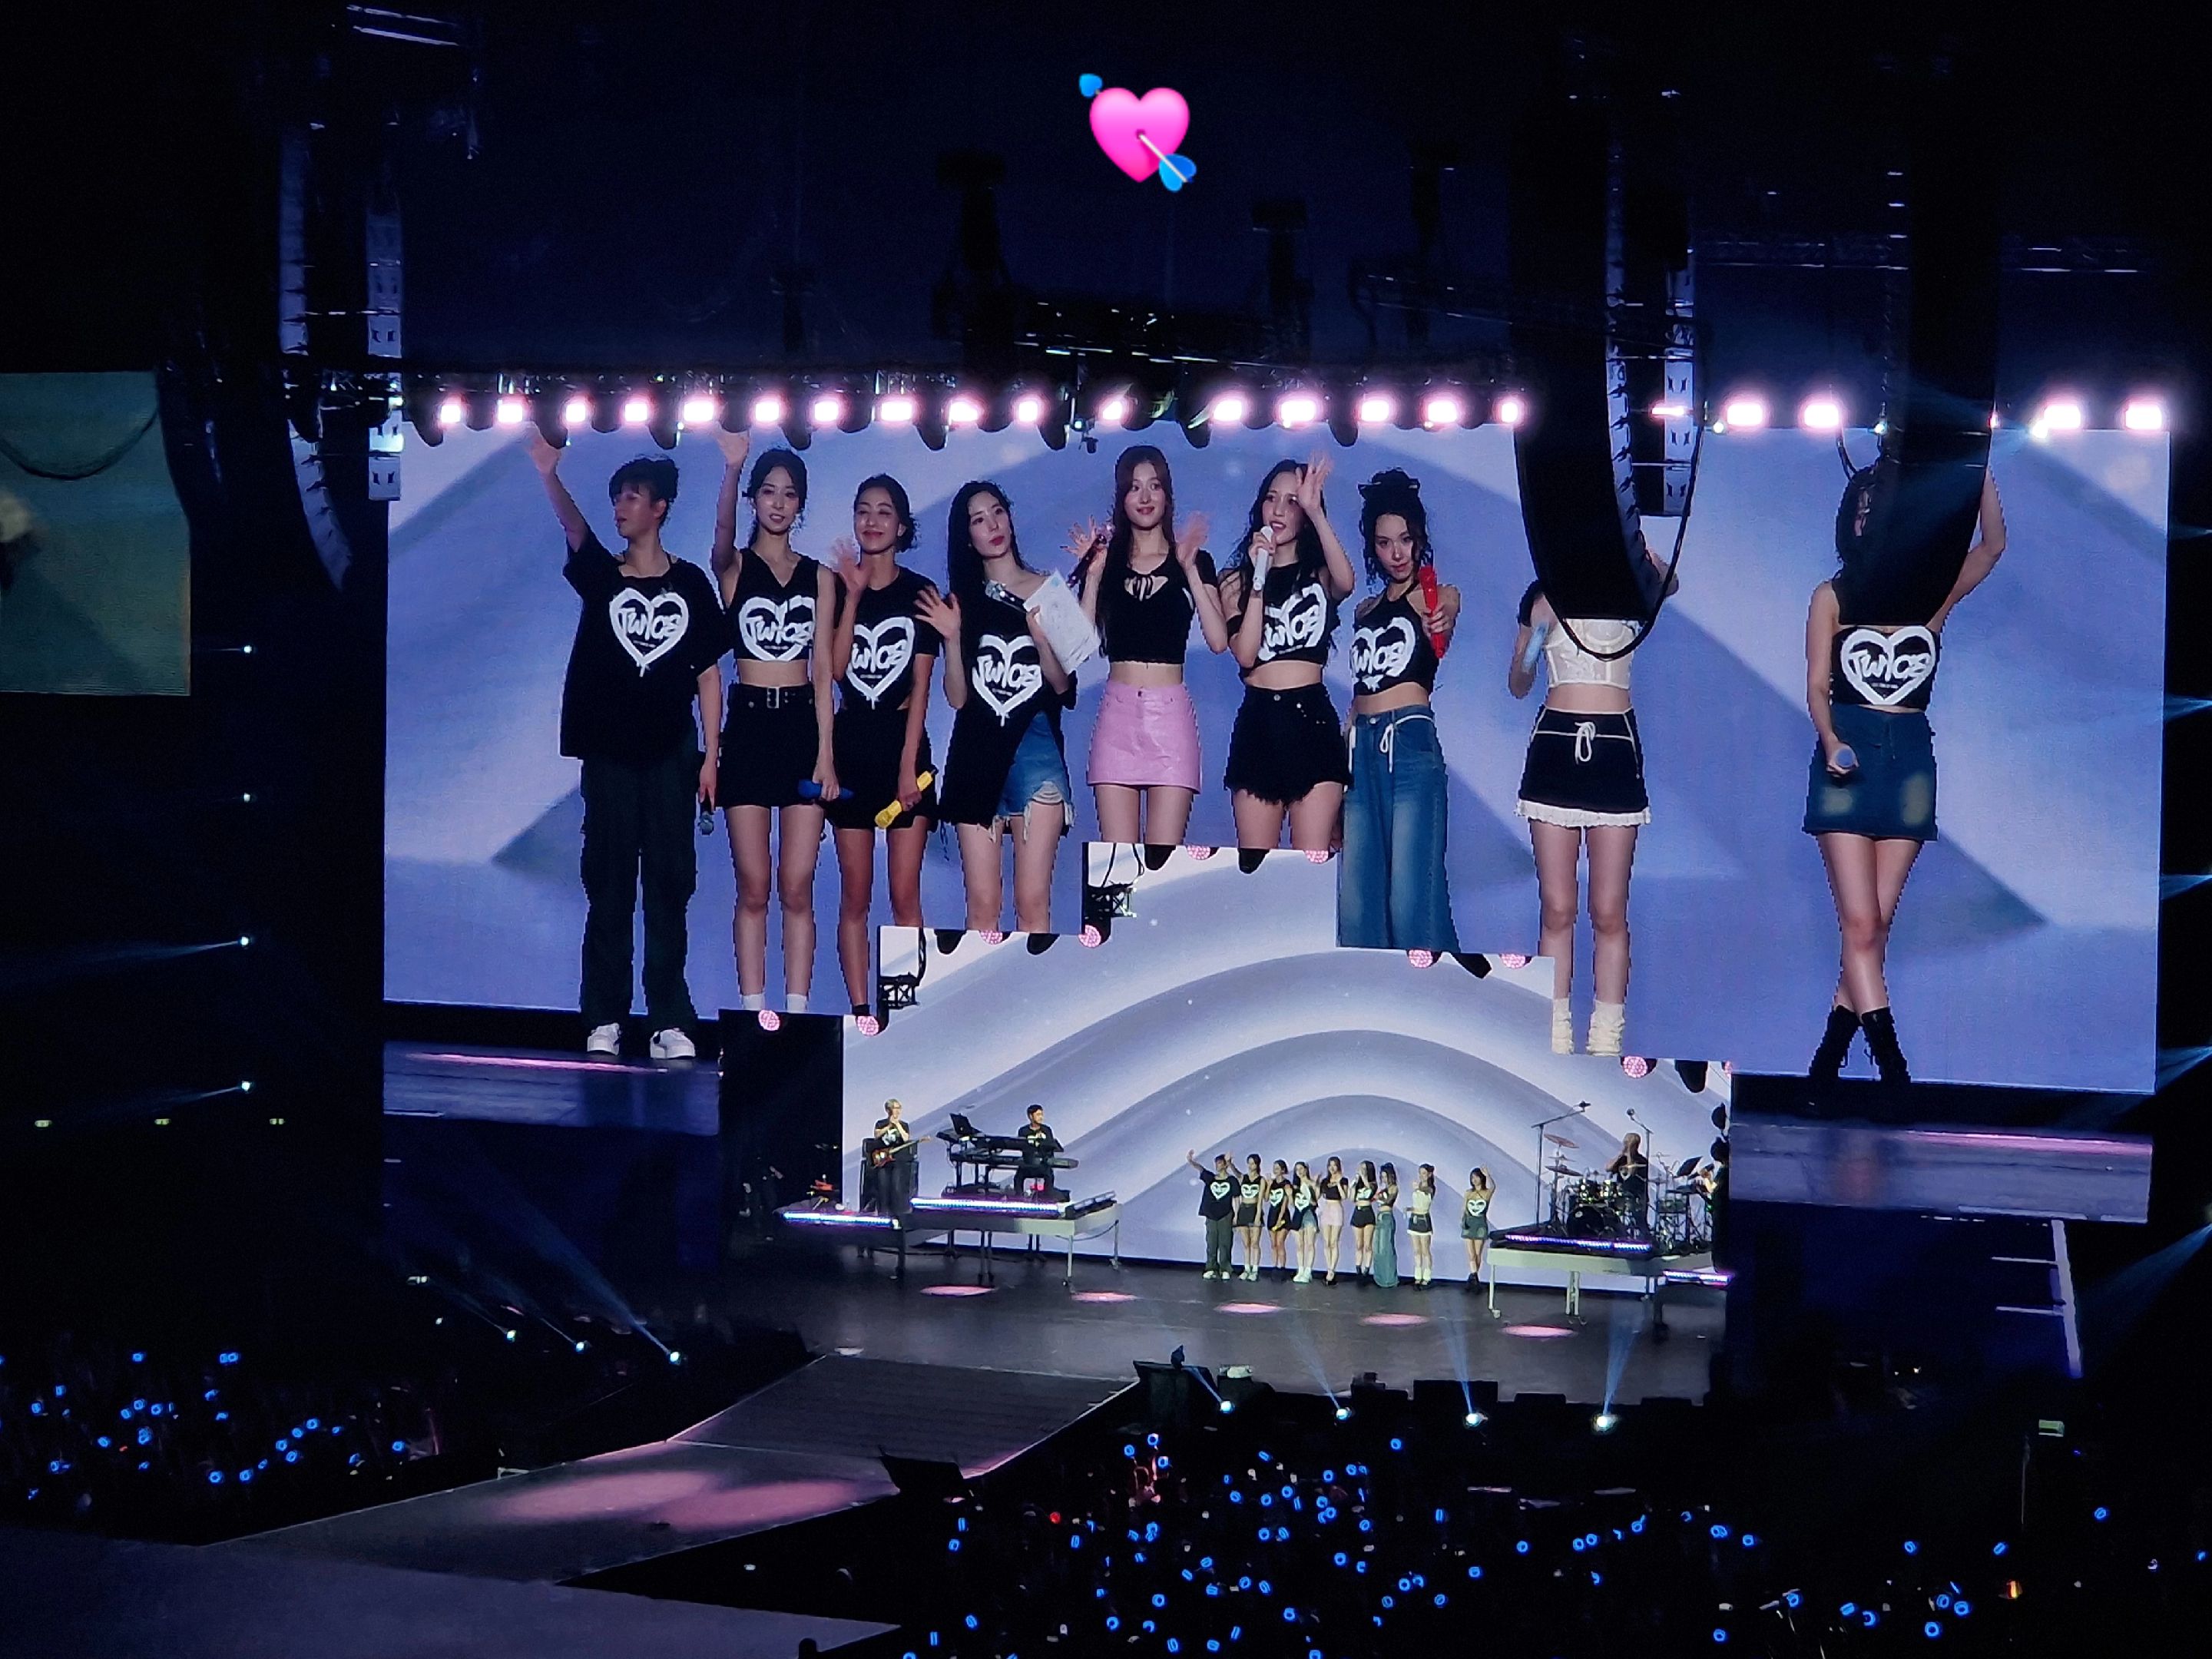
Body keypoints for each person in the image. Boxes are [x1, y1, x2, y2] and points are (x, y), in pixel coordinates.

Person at [1804, 467, 2006, 1084]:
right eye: (1861, 509)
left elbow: (1992, 546)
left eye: (1881, 508)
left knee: (1876, 928)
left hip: (1911, 761)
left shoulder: (1931, 593)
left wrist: (1978, 468)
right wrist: (1832, 740)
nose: (1870, 520)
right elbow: (1816, 685)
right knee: (1861, 925)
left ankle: (1826, 1063)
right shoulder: (1832, 596)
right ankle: (1893, 1066)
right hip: (1849, 759)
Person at [530, 432, 724, 1059]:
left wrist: (712, 757)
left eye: (634, 496)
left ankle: (669, 1018)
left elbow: (708, 673)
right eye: (617, 497)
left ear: (660, 507)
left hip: (671, 753)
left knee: (669, 886)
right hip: (610, 753)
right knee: (609, 884)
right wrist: (548, 473)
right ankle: (605, 1016)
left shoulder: (691, 582)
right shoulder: (603, 578)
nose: (621, 506)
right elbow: (575, 529)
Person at [1508, 538, 1680, 1056]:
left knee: (1608, 910)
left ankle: (1607, 1043)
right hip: (1554, 751)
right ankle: (1555, 1038)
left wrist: (1640, 550)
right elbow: (1519, 683)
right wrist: (1536, 641)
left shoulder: (1628, 589)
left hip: (1613, 751)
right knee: (1557, 908)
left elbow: (1669, 583)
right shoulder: (1540, 595)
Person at [708, 431, 836, 1013]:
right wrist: (733, 468)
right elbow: (720, 542)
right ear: (753, 499)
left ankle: (799, 1014)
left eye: (788, 494)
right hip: (748, 729)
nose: (778, 503)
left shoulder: (820, 577)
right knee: (754, 886)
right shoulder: (736, 567)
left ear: (800, 503)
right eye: (768, 492)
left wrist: (826, 755)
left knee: (797, 886)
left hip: (802, 728)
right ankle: (753, 1013)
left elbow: (824, 670)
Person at [926, 482, 1076, 934]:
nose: (992, 525)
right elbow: (957, 698)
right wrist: (952, 638)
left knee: (1032, 903)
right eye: (978, 519)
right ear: (966, 535)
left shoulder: (1048, 589)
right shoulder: (961, 603)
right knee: (982, 909)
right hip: (976, 756)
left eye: (997, 512)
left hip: (1036, 750)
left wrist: (1042, 639)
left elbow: (1063, 687)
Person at [1069, 446, 1230, 847]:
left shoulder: (1196, 560)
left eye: (1154, 486)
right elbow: (1078, 647)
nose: (1144, 497)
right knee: (1117, 862)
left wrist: (1189, 568)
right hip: (1117, 713)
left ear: (1167, 495)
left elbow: (1218, 640)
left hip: (1169, 715)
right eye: (1134, 488)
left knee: (1162, 860)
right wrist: (1093, 576)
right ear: (1122, 498)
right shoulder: (1107, 562)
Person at [824, 475, 939, 1016]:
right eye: (863, 511)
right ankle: (860, 1012)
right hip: (851, 750)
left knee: (904, 893)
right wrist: (851, 596)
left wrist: (908, 766)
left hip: (902, 750)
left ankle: (908, 1007)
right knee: (855, 894)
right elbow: (837, 669)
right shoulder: (835, 586)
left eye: (884, 512)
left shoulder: (921, 593)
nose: (872, 521)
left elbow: (921, 689)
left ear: (902, 526)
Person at [1339, 469, 1460, 951]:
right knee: (1358, 905)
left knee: (1412, 901)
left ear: (1420, 540)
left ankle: (1436, 991)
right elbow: (1356, 696)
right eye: (1385, 542)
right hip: (1360, 747)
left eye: (1406, 540)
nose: (1397, 553)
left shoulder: (1436, 596)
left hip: (1407, 740)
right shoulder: (1364, 611)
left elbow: (1444, 618)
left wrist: (1441, 619)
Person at [1219, 455, 1359, 851]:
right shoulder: (1234, 581)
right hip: (1259, 722)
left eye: (1292, 501)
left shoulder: (1318, 575)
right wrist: (1259, 578)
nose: (1279, 510)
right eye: (1271, 498)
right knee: (1256, 865)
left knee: (1311, 864)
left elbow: (1347, 582)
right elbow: (1246, 654)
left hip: (1311, 719)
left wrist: (1315, 511)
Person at [863, 1098, 919, 1220]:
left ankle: (897, 1215)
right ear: (888, 1110)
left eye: (899, 1108)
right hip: (883, 1161)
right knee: (883, 1187)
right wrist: (889, 1125)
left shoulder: (904, 1125)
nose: (897, 1111)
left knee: (896, 1187)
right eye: (894, 1108)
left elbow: (905, 1138)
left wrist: (897, 1125)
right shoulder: (881, 1123)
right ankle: (883, 1214)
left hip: (897, 1161)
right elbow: (877, 1135)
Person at [1187, 1150, 1238, 1280]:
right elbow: (1201, 1169)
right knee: (1211, 1243)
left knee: (1225, 1242)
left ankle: (1225, 1268)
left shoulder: (1231, 1180)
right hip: (1211, 1215)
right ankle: (1211, 1268)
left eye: (1220, 1163)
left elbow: (1236, 1198)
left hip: (1225, 1214)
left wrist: (1236, 1216)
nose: (1217, 1165)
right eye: (1216, 1163)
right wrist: (1191, 1161)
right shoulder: (1211, 1178)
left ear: (1225, 1165)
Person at [1605, 1131, 1651, 1237]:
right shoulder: (1622, 1159)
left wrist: (1630, 1152)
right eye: (1625, 1142)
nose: (1625, 1145)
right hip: (1621, 1194)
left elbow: (1631, 1171)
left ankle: (1645, 1238)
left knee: (1639, 1220)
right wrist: (1621, 1154)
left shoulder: (1642, 1161)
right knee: (1610, 1211)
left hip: (1637, 1196)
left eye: (1628, 1143)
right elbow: (1608, 1168)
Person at [1016, 1103, 1062, 1199]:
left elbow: (1051, 1145)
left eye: (1041, 1114)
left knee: (1049, 1175)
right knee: (1018, 1177)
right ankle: (1019, 1199)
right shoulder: (1023, 1131)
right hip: (1028, 1163)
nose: (1041, 1117)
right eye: (1038, 1115)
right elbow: (1021, 1146)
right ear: (1030, 1116)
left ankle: (1047, 1198)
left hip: (1043, 1164)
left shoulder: (1046, 1130)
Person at [1233, 1153, 1267, 1282]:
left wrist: (1258, 1215)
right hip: (1243, 1210)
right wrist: (1230, 1164)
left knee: (1255, 1243)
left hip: (1254, 1209)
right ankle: (1246, 1268)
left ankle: (1255, 1269)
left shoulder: (1261, 1180)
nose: (1250, 1166)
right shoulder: (1244, 1178)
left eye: (1253, 1163)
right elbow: (1237, 1174)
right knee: (1246, 1243)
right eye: (1249, 1163)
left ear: (1257, 1164)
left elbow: (1260, 1200)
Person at [1461, 1167, 1495, 1290]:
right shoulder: (1469, 1193)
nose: (1474, 1180)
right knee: (1471, 1254)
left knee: (1477, 1253)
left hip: (1480, 1224)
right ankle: (1474, 1277)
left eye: (1476, 1177)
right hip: (1469, 1224)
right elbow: (1464, 1208)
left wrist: (1488, 1175)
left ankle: (1474, 1277)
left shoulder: (1486, 1193)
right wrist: (1463, 1221)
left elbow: (1493, 1187)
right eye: (1472, 1178)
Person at [1316, 1156, 1349, 1284]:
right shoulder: (1325, 1181)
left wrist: (1339, 1183)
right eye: (1330, 1165)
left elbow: (1344, 1196)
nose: (1332, 1168)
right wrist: (1317, 1183)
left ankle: (1332, 1270)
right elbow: (1317, 1196)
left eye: (1334, 1165)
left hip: (1336, 1209)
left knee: (1334, 1242)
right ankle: (1328, 1267)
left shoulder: (1344, 1180)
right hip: (1326, 1209)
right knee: (1327, 1242)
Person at [1406, 1164, 1438, 1287]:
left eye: (1424, 1173)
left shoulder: (1431, 1188)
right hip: (1414, 1219)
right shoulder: (1418, 1186)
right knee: (1416, 1251)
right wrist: (1409, 1209)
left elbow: (1427, 1192)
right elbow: (1417, 1204)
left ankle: (1427, 1276)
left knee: (1425, 1250)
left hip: (1424, 1220)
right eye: (1420, 1173)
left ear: (1429, 1174)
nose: (1421, 1176)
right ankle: (1417, 1276)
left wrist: (1418, 1188)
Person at [1290, 1161, 1320, 1283]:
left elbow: (1316, 1200)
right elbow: (1292, 1204)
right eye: (1297, 1170)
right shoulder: (1295, 1186)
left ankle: (1308, 1271)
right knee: (1299, 1245)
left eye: (1301, 1169)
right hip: (1297, 1215)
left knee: (1310, 1244)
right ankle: (1300, 1269)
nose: (1300, 1172)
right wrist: (1289, 1195)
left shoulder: (1312, 1183)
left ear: (1306, 1169)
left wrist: (1315, 1185)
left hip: (1309, 1214)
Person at [1263, 1159, 1293, 1280]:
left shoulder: (1286, 1183)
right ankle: (1274, 1267)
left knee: (1280, 1243)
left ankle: (1282, 1268)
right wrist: (1269, 1185)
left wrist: (1280, 1219)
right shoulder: (1272, 1183)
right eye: (1274, 1168)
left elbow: (1285, 1203)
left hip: (1283, 1216)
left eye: (1277, 1168)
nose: (1275, 1170)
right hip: (1272, 1214)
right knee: (1274, 1244)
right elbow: (1266, 1198)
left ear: (1283, 1170)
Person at [1372, 1163, 1400, 1289]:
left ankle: (1389, 1279)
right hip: (1379, 1216)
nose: (1383, 1179)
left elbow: (1389, 1201)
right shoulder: (1382, 1189)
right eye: (1382, 1177)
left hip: (1387, 1217)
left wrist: (1380, 1197)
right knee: (1378, 1248)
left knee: (1386, 1248)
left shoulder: (1394, 1188)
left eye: (1385, 1177)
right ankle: (1380, 1277)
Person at [1349, 1161, 1379, 1284]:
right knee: (1359, 1244)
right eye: (1360, 1168)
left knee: (1368, 1245)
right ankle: (1358, 1269)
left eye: (1364, 1168)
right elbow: (1351, 1199)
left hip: (1368, 1213)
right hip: (1358, 1212)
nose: (1361, 1170)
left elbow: (1371, 1190)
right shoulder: (1357, 1183)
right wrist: (1354, 1185)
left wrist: (1363, 1177)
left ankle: (1367, 1269)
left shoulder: (1372, 1183)